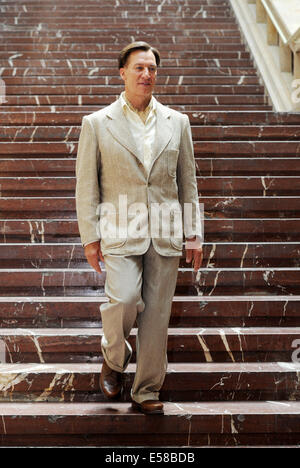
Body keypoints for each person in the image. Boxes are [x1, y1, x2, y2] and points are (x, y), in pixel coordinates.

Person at [75, 41, 203, 415]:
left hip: (165, 233)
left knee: (158, 315)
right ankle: (115, 357)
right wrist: (90, 236)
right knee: (125, 299)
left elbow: (188, 181)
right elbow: (87, 185)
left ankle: (146, 390)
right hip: (119, 230)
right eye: (139, 68)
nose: (146, 75)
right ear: (122, 73)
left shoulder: (177, 123)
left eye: (152, 69)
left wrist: (193, 232)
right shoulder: (97, 123)